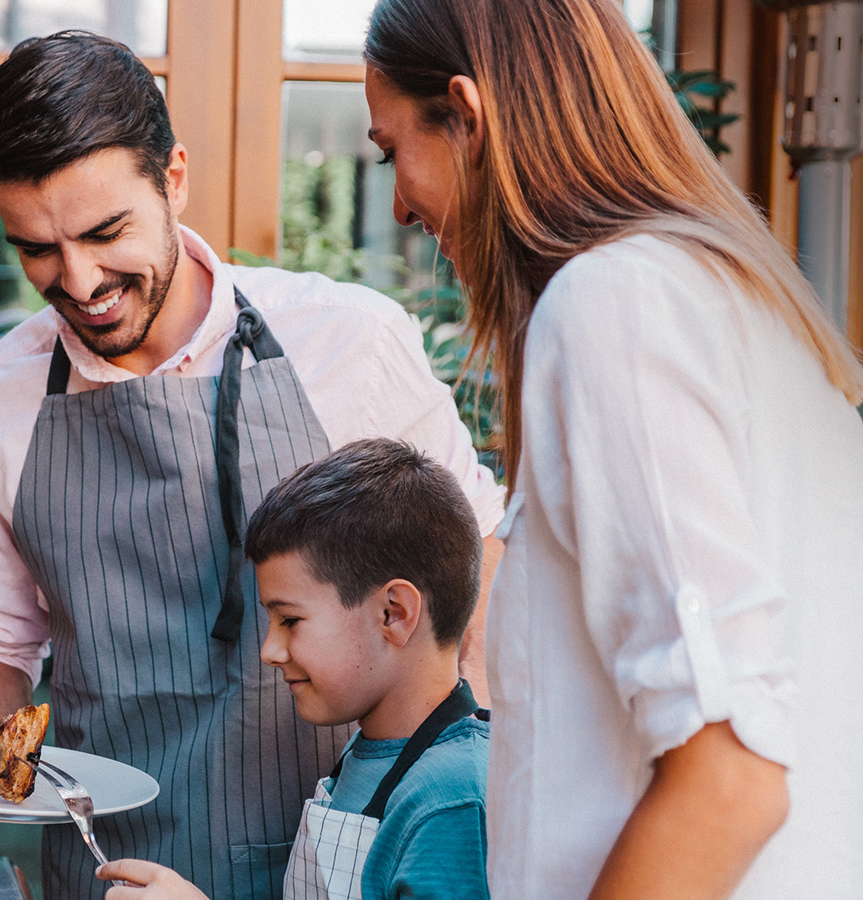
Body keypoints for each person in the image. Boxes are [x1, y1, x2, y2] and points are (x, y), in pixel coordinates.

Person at [0, 31, 505, 900]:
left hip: (350, 858)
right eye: (37, 249)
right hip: (110, 872)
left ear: (173, 179)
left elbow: (476, 561)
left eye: (106, 232)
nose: (81, 280)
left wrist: (448, 792)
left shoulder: (348, 344)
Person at [359, 0, 863, 897]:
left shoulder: (612, 307)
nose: (397, 202)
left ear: (468, 118)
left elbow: (732, 773)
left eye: (391, 148)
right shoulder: (741, 306)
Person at [97, 438, 490, 900]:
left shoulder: (452, 799)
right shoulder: (366, 754)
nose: (269, 650)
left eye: (289, 620)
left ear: (394, 614)